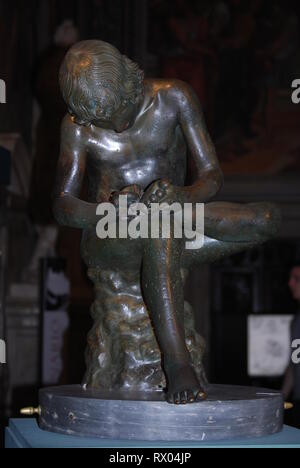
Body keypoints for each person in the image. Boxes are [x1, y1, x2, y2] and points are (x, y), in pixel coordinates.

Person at [53, 40, 280, 404]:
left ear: (130, 81)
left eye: (120, 112)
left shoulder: (174, 98)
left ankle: (166, 230)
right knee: (160, 227)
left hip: (172, 216)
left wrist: (181, 196)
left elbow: (211, 176)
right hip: (111, 236)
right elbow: (63, 206)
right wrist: (108, 210)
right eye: (103, 122)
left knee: (266, 219)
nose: (115, 125)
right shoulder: (77, 127)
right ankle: (177, 363)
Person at [282, 265, 300, 407]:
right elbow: (294, 362)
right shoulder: (297, 320)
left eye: (297, 279)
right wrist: (281, 398)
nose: (290, 283)